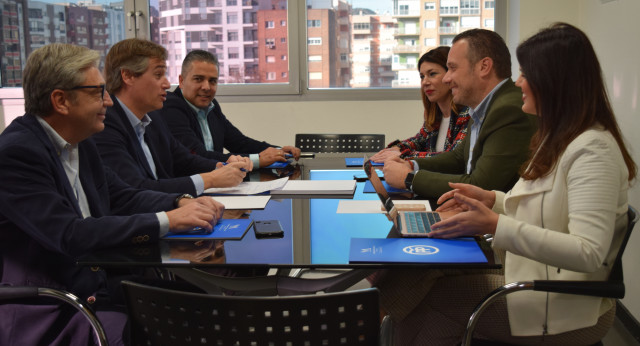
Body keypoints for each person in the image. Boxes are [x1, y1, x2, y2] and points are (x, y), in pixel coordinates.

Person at [385, 23, 637, 345]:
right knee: (419, 279)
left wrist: (496, 223)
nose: (518, 82)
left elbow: (588, 252)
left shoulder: (593, 151)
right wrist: (491, 199)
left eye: (526, 74)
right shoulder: (560, 140)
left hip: (562, 305)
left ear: (554, 82)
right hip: (533, 276)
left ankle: (359, 322)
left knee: (427, 298)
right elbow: (543, 207)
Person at [0, 43, 225, 345]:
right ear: (61, 100)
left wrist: (179, 202)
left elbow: (123, 196)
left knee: (209, 307)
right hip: (57, 307)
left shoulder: (81, 142)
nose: (108, 101)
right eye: (98, 92)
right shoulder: (17, 154)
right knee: (184, 326)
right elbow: (71, 234)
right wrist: (168, 219)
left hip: (101, 284)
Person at [383, 29, 537, 200]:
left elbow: (481, 185)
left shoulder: (508, 110)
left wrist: (409, 178)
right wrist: (412, 164)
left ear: (484, 67)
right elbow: (458, 158)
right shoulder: (484, 105)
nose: (447, 79)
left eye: (452, 68)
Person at [94, 39, 251, 196]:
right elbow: (135, 188)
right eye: (158, 75)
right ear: (128, 76)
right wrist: (210, 179)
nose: (167, 84)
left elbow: (183, 159)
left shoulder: (152, 117)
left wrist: (221, 166)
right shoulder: (104, 124)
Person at [158, 49, 301, 168]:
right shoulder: (171, 106)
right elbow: (198, 155)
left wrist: (277, 151)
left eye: (212, 81)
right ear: (181, 81)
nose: (207, 87)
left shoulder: (212, 106)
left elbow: (239, 142)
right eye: (198, 79)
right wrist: (257, 159)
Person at [370, 47, 470, 162]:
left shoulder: (467, 114)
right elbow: (418, 141)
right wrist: (397, 148)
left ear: (450, 75)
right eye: (422, 77)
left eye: (432, 74)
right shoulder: (435, 117)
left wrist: (402, 155)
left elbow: (451, 159)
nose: (425, 82)